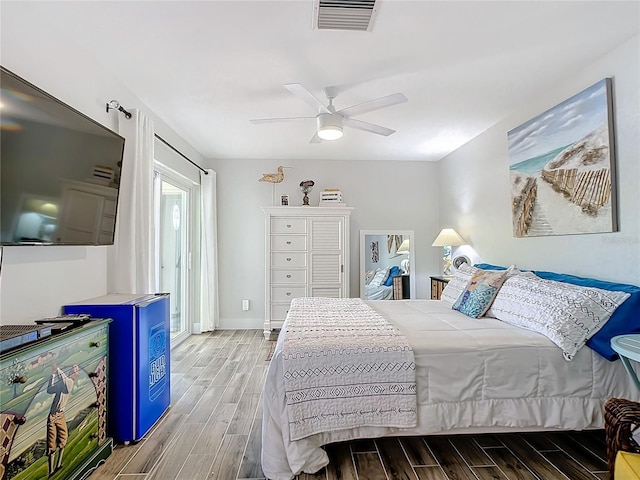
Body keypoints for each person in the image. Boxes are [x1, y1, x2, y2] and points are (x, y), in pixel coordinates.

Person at [46, 363, 79, 477]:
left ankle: (58, 464)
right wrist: (53, 375)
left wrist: (58, 369)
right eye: (74, 370)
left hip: (60, 415)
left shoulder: (69, 383)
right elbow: (50, 390)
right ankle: (51, 471)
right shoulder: (63, 383)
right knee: (51, 443)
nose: (76, 372)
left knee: (63, 438)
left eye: (76, 370)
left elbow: (65, 380)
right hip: (53, 416)